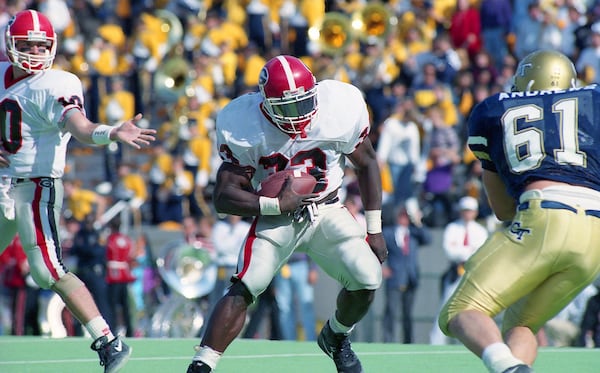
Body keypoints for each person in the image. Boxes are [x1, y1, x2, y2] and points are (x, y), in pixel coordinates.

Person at [187, 55, 386, 373]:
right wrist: (275, 206)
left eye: (303, 103)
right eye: (287, 107)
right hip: (277, 217)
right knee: (246, 284)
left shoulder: (338, 106)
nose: (297, 115)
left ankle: (335, 336)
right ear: (264, 103)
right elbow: (223, 197)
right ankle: (202, 364)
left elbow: (367, 162)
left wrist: (374, 229)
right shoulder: (245, 122)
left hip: (328, 208)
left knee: (367, 278)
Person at [0, 10, 156, 373]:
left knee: (47, 269)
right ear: (11, 44)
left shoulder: (55, 83)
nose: (36, 52)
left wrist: (110, 133)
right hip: (3, 185)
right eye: (27, 45)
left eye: (42, 45)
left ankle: (108, 340)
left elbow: (80, 126)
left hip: (34, 186)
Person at [438, 49, 600, 373]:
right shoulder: (593, 100)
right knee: (521, 323)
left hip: (544, 214)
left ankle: (507, 369)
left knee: (459, 310)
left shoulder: (494, 111)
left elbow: (501, 210)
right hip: (595, 236)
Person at [430, 196, 489, 345]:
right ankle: (436, 343)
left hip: (473, 274)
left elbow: (480, 253)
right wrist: (468, 252)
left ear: (475, 212)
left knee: (471, 309)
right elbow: (449, 251)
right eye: (465, 211)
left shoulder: (480, 231)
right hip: (455, 272)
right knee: (446, 305)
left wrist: (463, 252)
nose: (467, 214)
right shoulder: (452, 228)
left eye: (470, 211)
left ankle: (469, 342)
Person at [381, 203, 431, 344]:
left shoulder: (414, 233)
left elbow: (428, 239)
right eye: (401, 215)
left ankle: (408, 341)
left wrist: (418, 221)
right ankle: (388, 340)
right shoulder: (389, 233)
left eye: (406, 216)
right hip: (395, 277)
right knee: (391, 311)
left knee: (408, 313)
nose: (404, 219)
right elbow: (375, 249)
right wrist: (381, 268)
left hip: (411, 277)